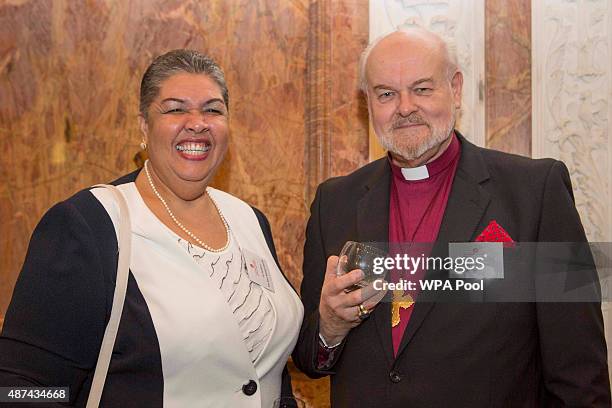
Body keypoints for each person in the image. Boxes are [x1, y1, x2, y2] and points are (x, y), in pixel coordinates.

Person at [293, 28, 610, 407]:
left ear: (456, 89)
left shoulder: (535, 192)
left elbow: (580, 371)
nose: (405, 107)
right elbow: (309, 358)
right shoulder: (335, 201)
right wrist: (329, 327)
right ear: (368, 103)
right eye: (386, 94)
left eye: (422, 88)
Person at [0, 49, 304, 407]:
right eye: (175, 109)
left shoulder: (250, 220)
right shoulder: (89, 226)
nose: (197, 122)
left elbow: (262, 365)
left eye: (213, 109)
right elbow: (21, 387)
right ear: (144, 126)